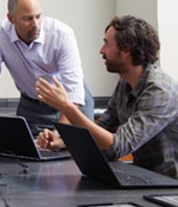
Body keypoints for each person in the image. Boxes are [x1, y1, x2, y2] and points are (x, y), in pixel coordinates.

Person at [36, 15, 178, 178]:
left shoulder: (160, 91)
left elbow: (117, 147)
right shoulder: (125, 82)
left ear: (126, 50)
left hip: (170, 187)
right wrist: (61, 142)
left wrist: (66, 107)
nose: (101, 51)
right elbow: (104, 127)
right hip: (145, 178)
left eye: (107, 44)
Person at [0, 0, 86, 143]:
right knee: (28, 158)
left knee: (73, 155)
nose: (35, 24)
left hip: (71, 106)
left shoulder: (62, 34)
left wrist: (61, 136)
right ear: (11, 19)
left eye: (38, 17)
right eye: (27, 19)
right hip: (31, 107)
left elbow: (74, 91)